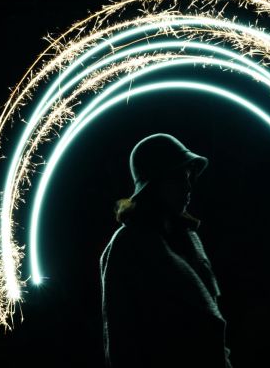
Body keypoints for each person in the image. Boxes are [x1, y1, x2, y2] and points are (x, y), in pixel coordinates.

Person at [99, 133, 233, 368]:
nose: (188, 185)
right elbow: (122, 341)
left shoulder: (189, 238)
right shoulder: (127, 245)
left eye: (189, 176)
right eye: (179, 177)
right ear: (154, 184)